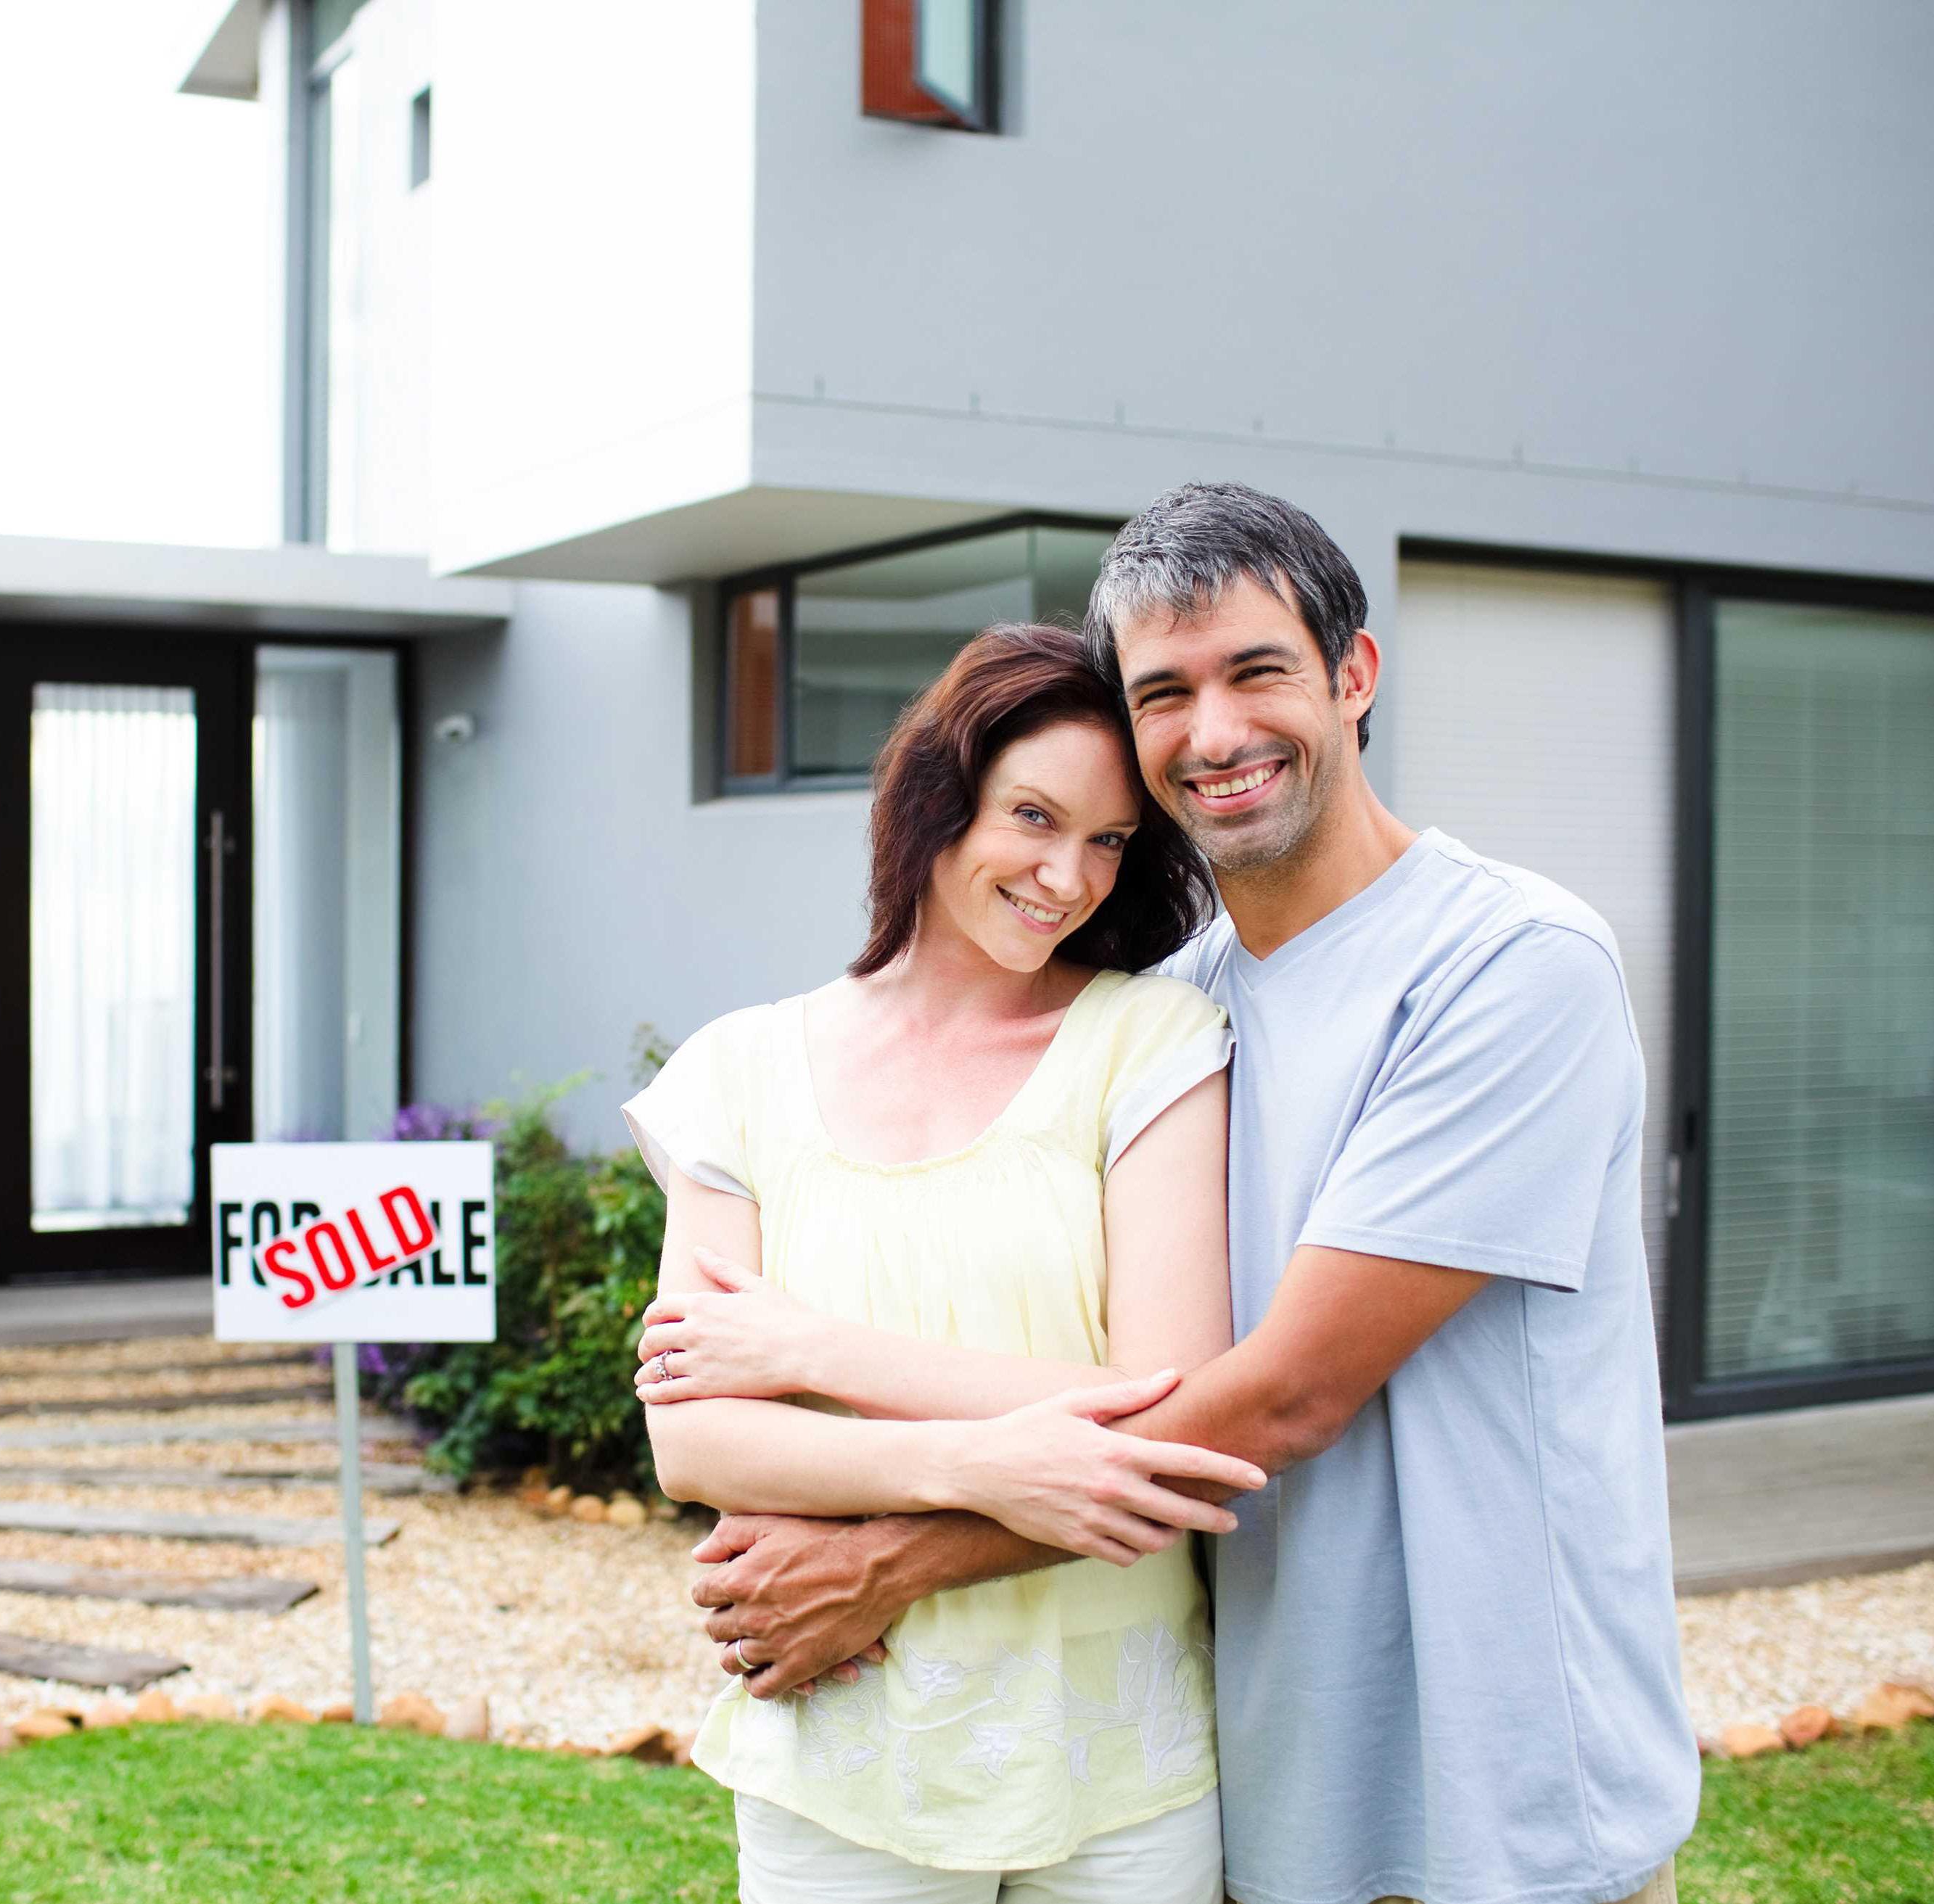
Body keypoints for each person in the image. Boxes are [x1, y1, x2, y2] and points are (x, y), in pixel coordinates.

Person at [682, 483, 1699, 1904]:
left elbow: (1285, 1396)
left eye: (1256, 671)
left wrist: (889, 1560)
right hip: (1280, 1790)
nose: (1213, 733)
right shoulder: (1173, 1013)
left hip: (1510, 1793)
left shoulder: (1511, 966)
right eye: (1164, 691)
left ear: (1355, 675)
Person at [621, 622, 1267, 1901]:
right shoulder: (739, 1071)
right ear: (935, 799)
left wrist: (815, 1353)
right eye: (1033, 816)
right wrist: (974, 1464)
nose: (1068, 876)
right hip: (844, 1727)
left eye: (1110, 839)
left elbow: (1169, 1413)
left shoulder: (1153, 1041)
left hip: (1119, 1753)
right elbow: (696, 1441)